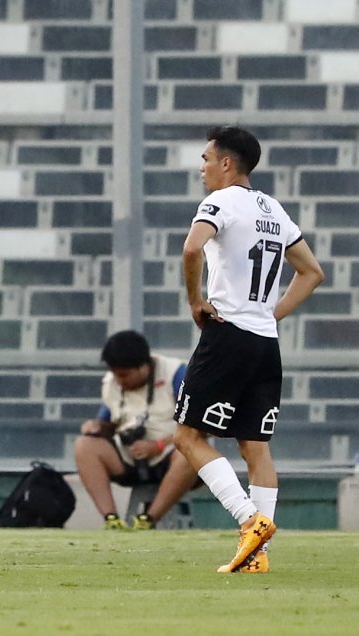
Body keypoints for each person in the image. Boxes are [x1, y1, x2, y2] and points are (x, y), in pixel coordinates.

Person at [174, 126, 324, 574]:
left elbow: (191, 249)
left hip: (228, 335)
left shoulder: (219, 202)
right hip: (264, 342)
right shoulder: (274, 210)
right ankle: (257, 556)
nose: (202, 168)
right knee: (256, 447)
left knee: (187, 437)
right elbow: (312, 272)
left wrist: (195, 301)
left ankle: (249, 521)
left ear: (226, 163)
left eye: (206, 159)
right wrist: (270, 315)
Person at [74, 331, 199, 530]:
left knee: (191, 452)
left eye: (124, 375)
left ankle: (148, 519)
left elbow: (200, 427)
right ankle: (111, 519)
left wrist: (159, 445)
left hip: (170, 451)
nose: (120, 381)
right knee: (84, 446)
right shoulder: (112, 382)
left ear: (143, 366)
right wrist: (96, 427)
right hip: (130, 455)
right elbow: (107, 422)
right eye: (115, 374)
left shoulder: (176, 374)